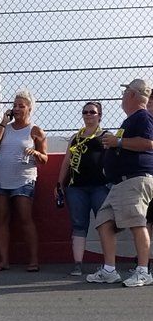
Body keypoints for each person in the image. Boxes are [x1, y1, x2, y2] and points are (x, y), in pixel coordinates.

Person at [86, 79, 153, 287]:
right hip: (120, 184)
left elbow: (149, 143)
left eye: (125, 93)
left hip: (134, 180)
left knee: (136, 222)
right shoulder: (130, 120)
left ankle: (143, 271)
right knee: (104, 222)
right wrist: (113, 145)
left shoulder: (142, 117)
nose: (122, 97)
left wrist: (119, 142)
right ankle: (109, 270)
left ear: (133, 95)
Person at [0, 89, 48, 271]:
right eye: (14, 105)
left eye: (21, 106)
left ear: (29, 109)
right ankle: (3, 260)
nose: (16, 109)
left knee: (25, 217)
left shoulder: (35, 130)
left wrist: (36, 152)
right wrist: (3, 122)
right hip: (0, 179)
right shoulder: (5, 129)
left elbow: (44, 159)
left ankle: (33, 260)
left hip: (23, 180)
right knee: (1, 217)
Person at [56, 101, 110, 276]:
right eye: (85, 112)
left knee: (104, 223)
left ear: (99, 115)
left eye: (92, 112)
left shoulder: (106, 136)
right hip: (76, 188)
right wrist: (59, 183)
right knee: (79, 224)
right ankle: (78, 263)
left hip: (100, 187)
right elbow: (66, 162)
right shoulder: (75, 138)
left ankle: (108, 264)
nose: (88, 115)